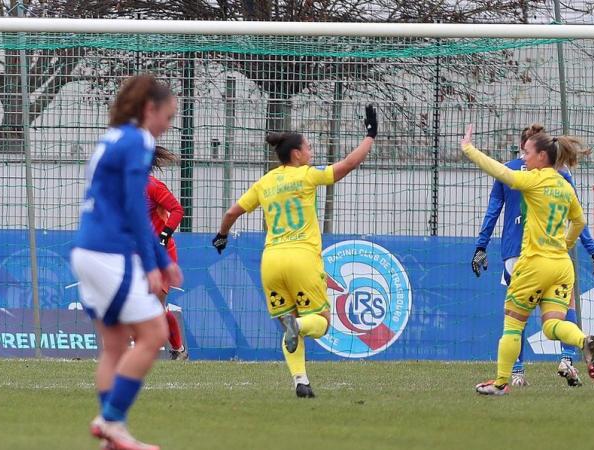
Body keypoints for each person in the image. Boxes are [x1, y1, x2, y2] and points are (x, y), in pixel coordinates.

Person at [212, 105, 378, 398]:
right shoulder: (306, 176)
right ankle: (298, 325)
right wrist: (370, 135)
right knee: (322, 322)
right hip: (301, 258)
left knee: (287, 325)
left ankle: (300, 381)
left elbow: (231, 212)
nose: (311, 152)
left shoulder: (265, 182)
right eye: (308, 147)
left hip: (272, 261)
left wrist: (222, 236)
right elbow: (348, 165)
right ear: (297, 154)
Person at [71, 74, 182, 449]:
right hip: (110, 253)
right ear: (150, 109)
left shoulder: (112, 137)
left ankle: (110, 437)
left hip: (86, 249)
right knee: (154, 334)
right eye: (167, 117)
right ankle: (112, 421)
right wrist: (155, 262)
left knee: (116, 345)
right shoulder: (138, 139)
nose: (167, 127)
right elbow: (135, 206)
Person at [461, 123, 594, 396]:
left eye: (526, 153)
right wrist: (566, 244)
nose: (523, 158)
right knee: (551, 326)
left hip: (534, 264)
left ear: (541, 157)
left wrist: (469, 149)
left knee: (513, 324)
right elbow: (580, 220)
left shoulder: (534, 180)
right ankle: (583, 340)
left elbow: (500, 172)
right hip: (561, 266)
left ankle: (501, 383)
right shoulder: (564, 184)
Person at [147, 145, 187, 360]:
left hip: (161, 255)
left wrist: (163, 236)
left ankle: (177, 350)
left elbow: (177, 210)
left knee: (155, 305)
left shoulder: (153, 187)